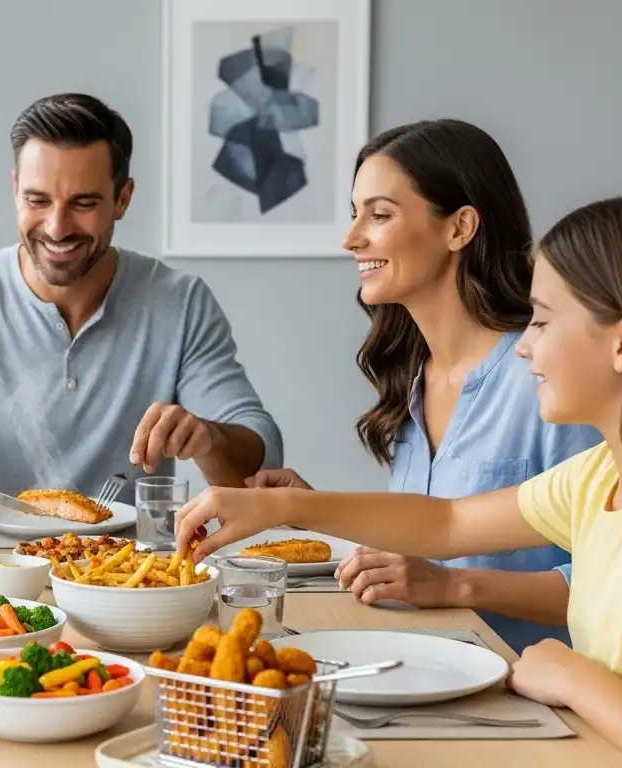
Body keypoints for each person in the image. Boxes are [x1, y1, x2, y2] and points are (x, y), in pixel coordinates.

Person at [178, 190, 622, 767]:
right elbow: (448, 521)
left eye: (540, 323)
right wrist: (283, 509)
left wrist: (574, 676)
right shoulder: (601, 475)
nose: (521, 348)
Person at [0, 93, 282, 509]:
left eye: (83, 203)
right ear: (14, 190)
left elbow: (257, 462)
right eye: (37, 200)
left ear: (122, 199)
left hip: (121, 575)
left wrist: (208, 439)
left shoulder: (179, 303)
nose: (57, 227)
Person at [250, 120, 600, 651]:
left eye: (380, 215)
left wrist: (453, 586)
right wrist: (318, 513)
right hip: (424, 669)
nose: (351, 238)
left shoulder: (547, 380)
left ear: (459, 227)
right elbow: (428, 550)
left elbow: (612, 579)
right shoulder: (413, 378)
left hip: (532, 696)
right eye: (354, 213)